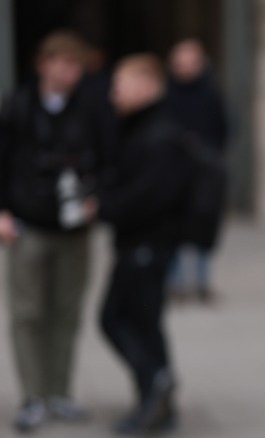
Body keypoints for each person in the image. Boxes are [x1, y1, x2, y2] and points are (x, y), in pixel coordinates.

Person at [0, 30, 102, 433]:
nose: (70, 71)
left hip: (74, 227)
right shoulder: (18, 106)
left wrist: (96, 196)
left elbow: (108, 158)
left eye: (76, 64)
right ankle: (32, 397)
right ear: (44, 64)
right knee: (28, 313)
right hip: (28, 225)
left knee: (67, 311)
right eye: (63, 62)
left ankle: (58, 392)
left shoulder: (90, 109)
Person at [97, 54, 191, 435]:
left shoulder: (159, 132)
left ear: (145, 86)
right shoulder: (140, 126)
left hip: (147, 245)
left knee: (115, 319)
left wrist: (103, 206)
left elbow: (150, 195)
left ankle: (156, 384)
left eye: (119, 84)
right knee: (142, 323)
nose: (113, 93)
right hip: (140, 244)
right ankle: (156, 403)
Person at [163, 38, 228, 303]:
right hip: (172, 169)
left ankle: (202, 283)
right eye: (181, 62)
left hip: (204, 172)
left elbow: (223, 129)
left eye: (191, 62)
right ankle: (175, 284)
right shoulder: (165, 93)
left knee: (204, 224)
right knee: (172, 226)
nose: (185, 68)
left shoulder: (211, 92)